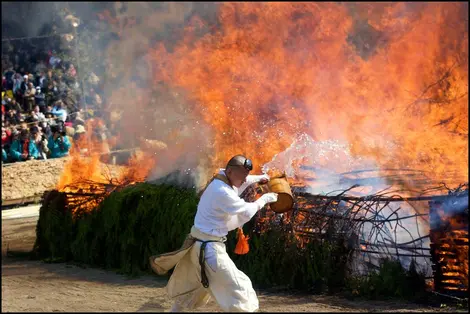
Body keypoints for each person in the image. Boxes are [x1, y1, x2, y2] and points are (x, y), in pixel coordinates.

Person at [150, 155, 278, 312]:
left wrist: (260, 178)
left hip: (197, 247)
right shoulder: (222, 191)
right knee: (239, 288)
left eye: (246, 177)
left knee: (193, 287)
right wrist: (264, 199)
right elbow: (245, 211)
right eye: (242, 177)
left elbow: (243, 179)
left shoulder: (221, 178)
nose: (245, 181)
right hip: (209, 251)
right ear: (230, 172)